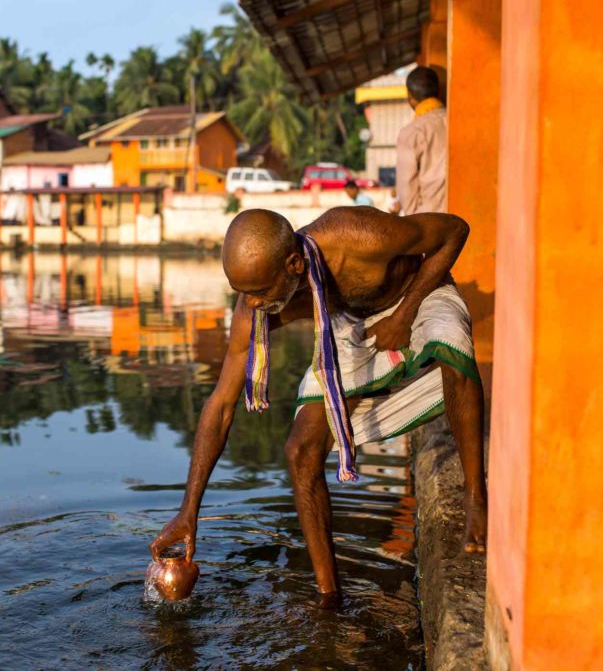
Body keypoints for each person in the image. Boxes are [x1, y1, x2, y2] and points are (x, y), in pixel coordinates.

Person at [150, 207, 487, 605]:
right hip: (347, 326)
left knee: (452, 346)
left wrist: (406, 312)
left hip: (417, 295)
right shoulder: (254, 306)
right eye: (243, 293)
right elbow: (221, 405)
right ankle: (330, 597)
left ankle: (475, 494)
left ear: (293, 264)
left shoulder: (359, 236)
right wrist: (189, 511)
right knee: (300, 450)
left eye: (259, 291)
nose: (253, 304)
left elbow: (455, 230)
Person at [396, 67, 447, 215]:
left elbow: (407, 188)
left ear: (410, 97)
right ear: (438, 91)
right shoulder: (458, 121)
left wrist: (415, 222)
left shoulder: (411, 132)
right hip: (463, 216)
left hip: (430, 218)